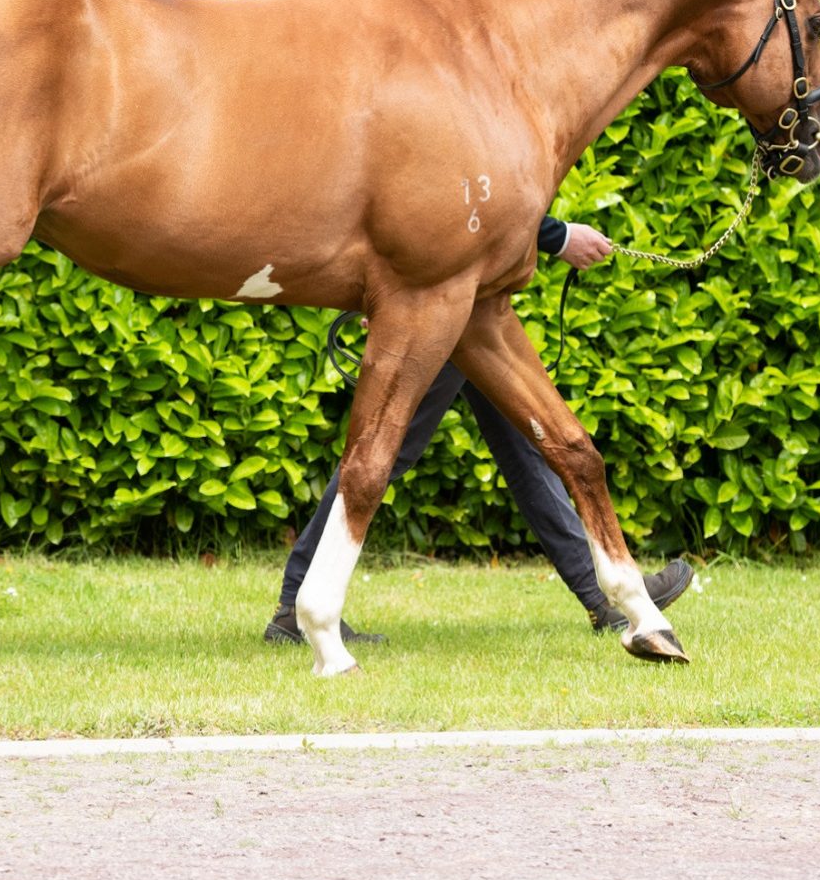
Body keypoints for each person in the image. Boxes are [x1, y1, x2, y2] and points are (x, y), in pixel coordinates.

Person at [263, 215, 694, 645]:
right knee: (383, 450)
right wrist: (558, 236)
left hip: (466, 302)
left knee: (526, 442)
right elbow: (473, 201)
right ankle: (296, 604)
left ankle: (601, 595)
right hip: (450, 308)